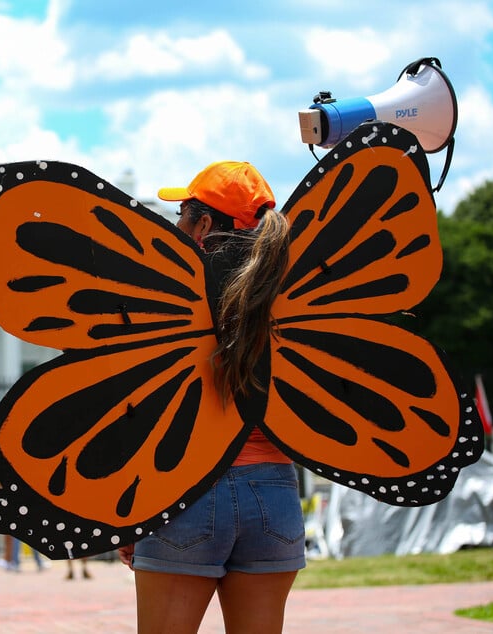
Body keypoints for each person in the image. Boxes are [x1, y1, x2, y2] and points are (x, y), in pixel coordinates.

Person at [116, 161, 305, 634]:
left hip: (187, 486)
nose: (175, 224)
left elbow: (142, 405)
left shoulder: (169, 298)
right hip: (275, 493)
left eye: (182, 213)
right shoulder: (295, 298)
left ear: (203, 225)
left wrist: (127, 514)